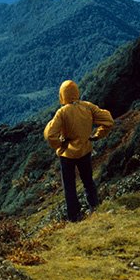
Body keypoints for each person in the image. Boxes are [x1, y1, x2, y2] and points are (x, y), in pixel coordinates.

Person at [44, 79, 114, 222]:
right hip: (85, 150)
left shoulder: (62, 112)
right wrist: (96, 135)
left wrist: (60, 145)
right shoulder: (88, 107)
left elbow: (50, 134)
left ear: (62, 95)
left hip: (67, 155)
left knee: (69, 187)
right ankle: (94, 207)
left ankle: (74, 217)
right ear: (76, 92)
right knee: (88, 181)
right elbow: (108, 120)